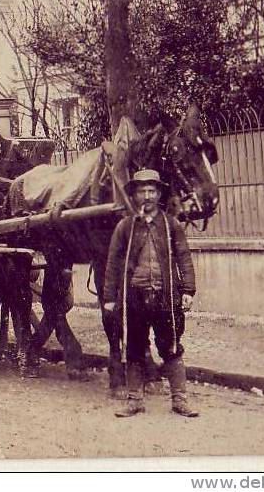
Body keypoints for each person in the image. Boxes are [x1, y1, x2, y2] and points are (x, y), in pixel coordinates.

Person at [103, 169, 199, 418]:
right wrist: (110, 298)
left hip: (166, 297)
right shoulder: (125, 227)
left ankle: (180, 400)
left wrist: (187, 290)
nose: (146, 196)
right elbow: (113, 263)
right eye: (141, 191)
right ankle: (135, 400)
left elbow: (184, 257)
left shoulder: (171, 225)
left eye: (151, 191)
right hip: (134, 296)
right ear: (134, 196)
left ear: (159, 194)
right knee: (134, 347)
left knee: (171, 346)